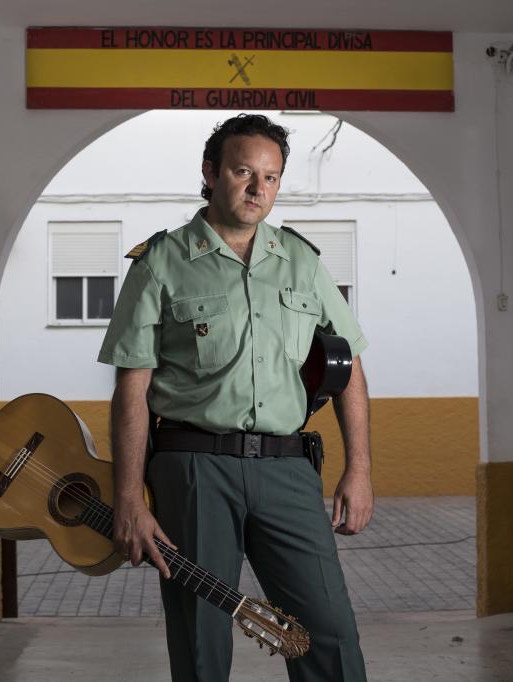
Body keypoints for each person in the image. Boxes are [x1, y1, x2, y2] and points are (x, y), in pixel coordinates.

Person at [98, 113, 372, 681]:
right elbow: (132, 389)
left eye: (271, 177)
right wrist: (129, 496)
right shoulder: (161, 263)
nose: (258, 189)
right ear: (211, 173)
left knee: (329, 630)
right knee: (201, 639)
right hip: (193, 469)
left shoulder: (302, 261)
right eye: (244, 172)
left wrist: (360, 469)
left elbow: (349, 368)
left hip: (287, 469)